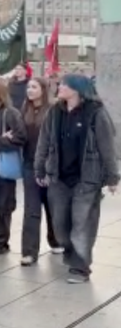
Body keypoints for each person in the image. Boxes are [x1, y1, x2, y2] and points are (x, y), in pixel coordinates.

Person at [35, 74, 119, 284]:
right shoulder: (55, 112)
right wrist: (40, 169)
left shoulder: (96, 113)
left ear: (78, 89)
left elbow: (107, 147)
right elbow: (43, 142)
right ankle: (71, 253)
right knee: (60, 227)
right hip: (58, 179)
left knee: (82, 225)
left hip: (87, 180)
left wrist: (112, 177)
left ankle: (80, 267)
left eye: (65, 85)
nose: (60, 87)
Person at [20, 77, 61, 266]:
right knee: (31, 209)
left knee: (52, 207)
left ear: (43, 90)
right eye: (28, 87)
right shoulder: (24, 109)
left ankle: (56, 240)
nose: (30, 90)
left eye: (34, 87)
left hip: (51, 166)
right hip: (30, 165)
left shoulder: (53, 109)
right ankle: (29, 252)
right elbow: (20, 135)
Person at [0, 76, 26, 255]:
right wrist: (1, 139)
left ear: (0, 90)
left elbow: (20, 137)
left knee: (3, 209)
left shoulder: (10, 113)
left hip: (3, 169)